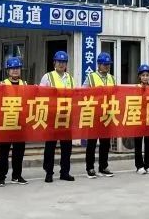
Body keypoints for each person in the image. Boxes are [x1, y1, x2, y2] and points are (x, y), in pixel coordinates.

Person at [40, 50, 75, 183]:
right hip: (52, 116)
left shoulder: (70, 78)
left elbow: (75, 96)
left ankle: (65, 172)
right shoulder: (47, 77)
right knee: (50, 146)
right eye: (59, 61)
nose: (61, 64)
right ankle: (49, 172)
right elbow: (41, 95)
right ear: (54, 62)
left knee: (67, 147)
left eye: (64, 62)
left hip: (66, 116)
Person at [83, 52, 116, 179]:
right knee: (91, 142)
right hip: (94, 114)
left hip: (107, 114)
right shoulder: (91, 77)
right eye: (104, 64)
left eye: (108, 64)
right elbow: (83, 92)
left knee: (105, 142)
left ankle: (103, 166)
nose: (106, 66)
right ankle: (90, 167)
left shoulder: (112, 78)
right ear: (98, 64)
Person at [0, 56, 28, 187]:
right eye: (12, 68)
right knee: (3, 152)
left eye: (17, 68)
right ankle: (1, 177)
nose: (15, 70)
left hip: (20, 123)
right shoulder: (2, 84)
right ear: (8, 70)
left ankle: (17, 175)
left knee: (19, 151)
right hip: (6, 122)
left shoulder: (25, 84)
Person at [133, 64, 149, 175]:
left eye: (147, 75)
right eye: (143, 75)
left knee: (148, 143)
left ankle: (148, 165)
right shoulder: (136, 88)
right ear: (139, 77)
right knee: (138, 143)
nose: (145, 77)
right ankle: (139, 166)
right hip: (138, 119)